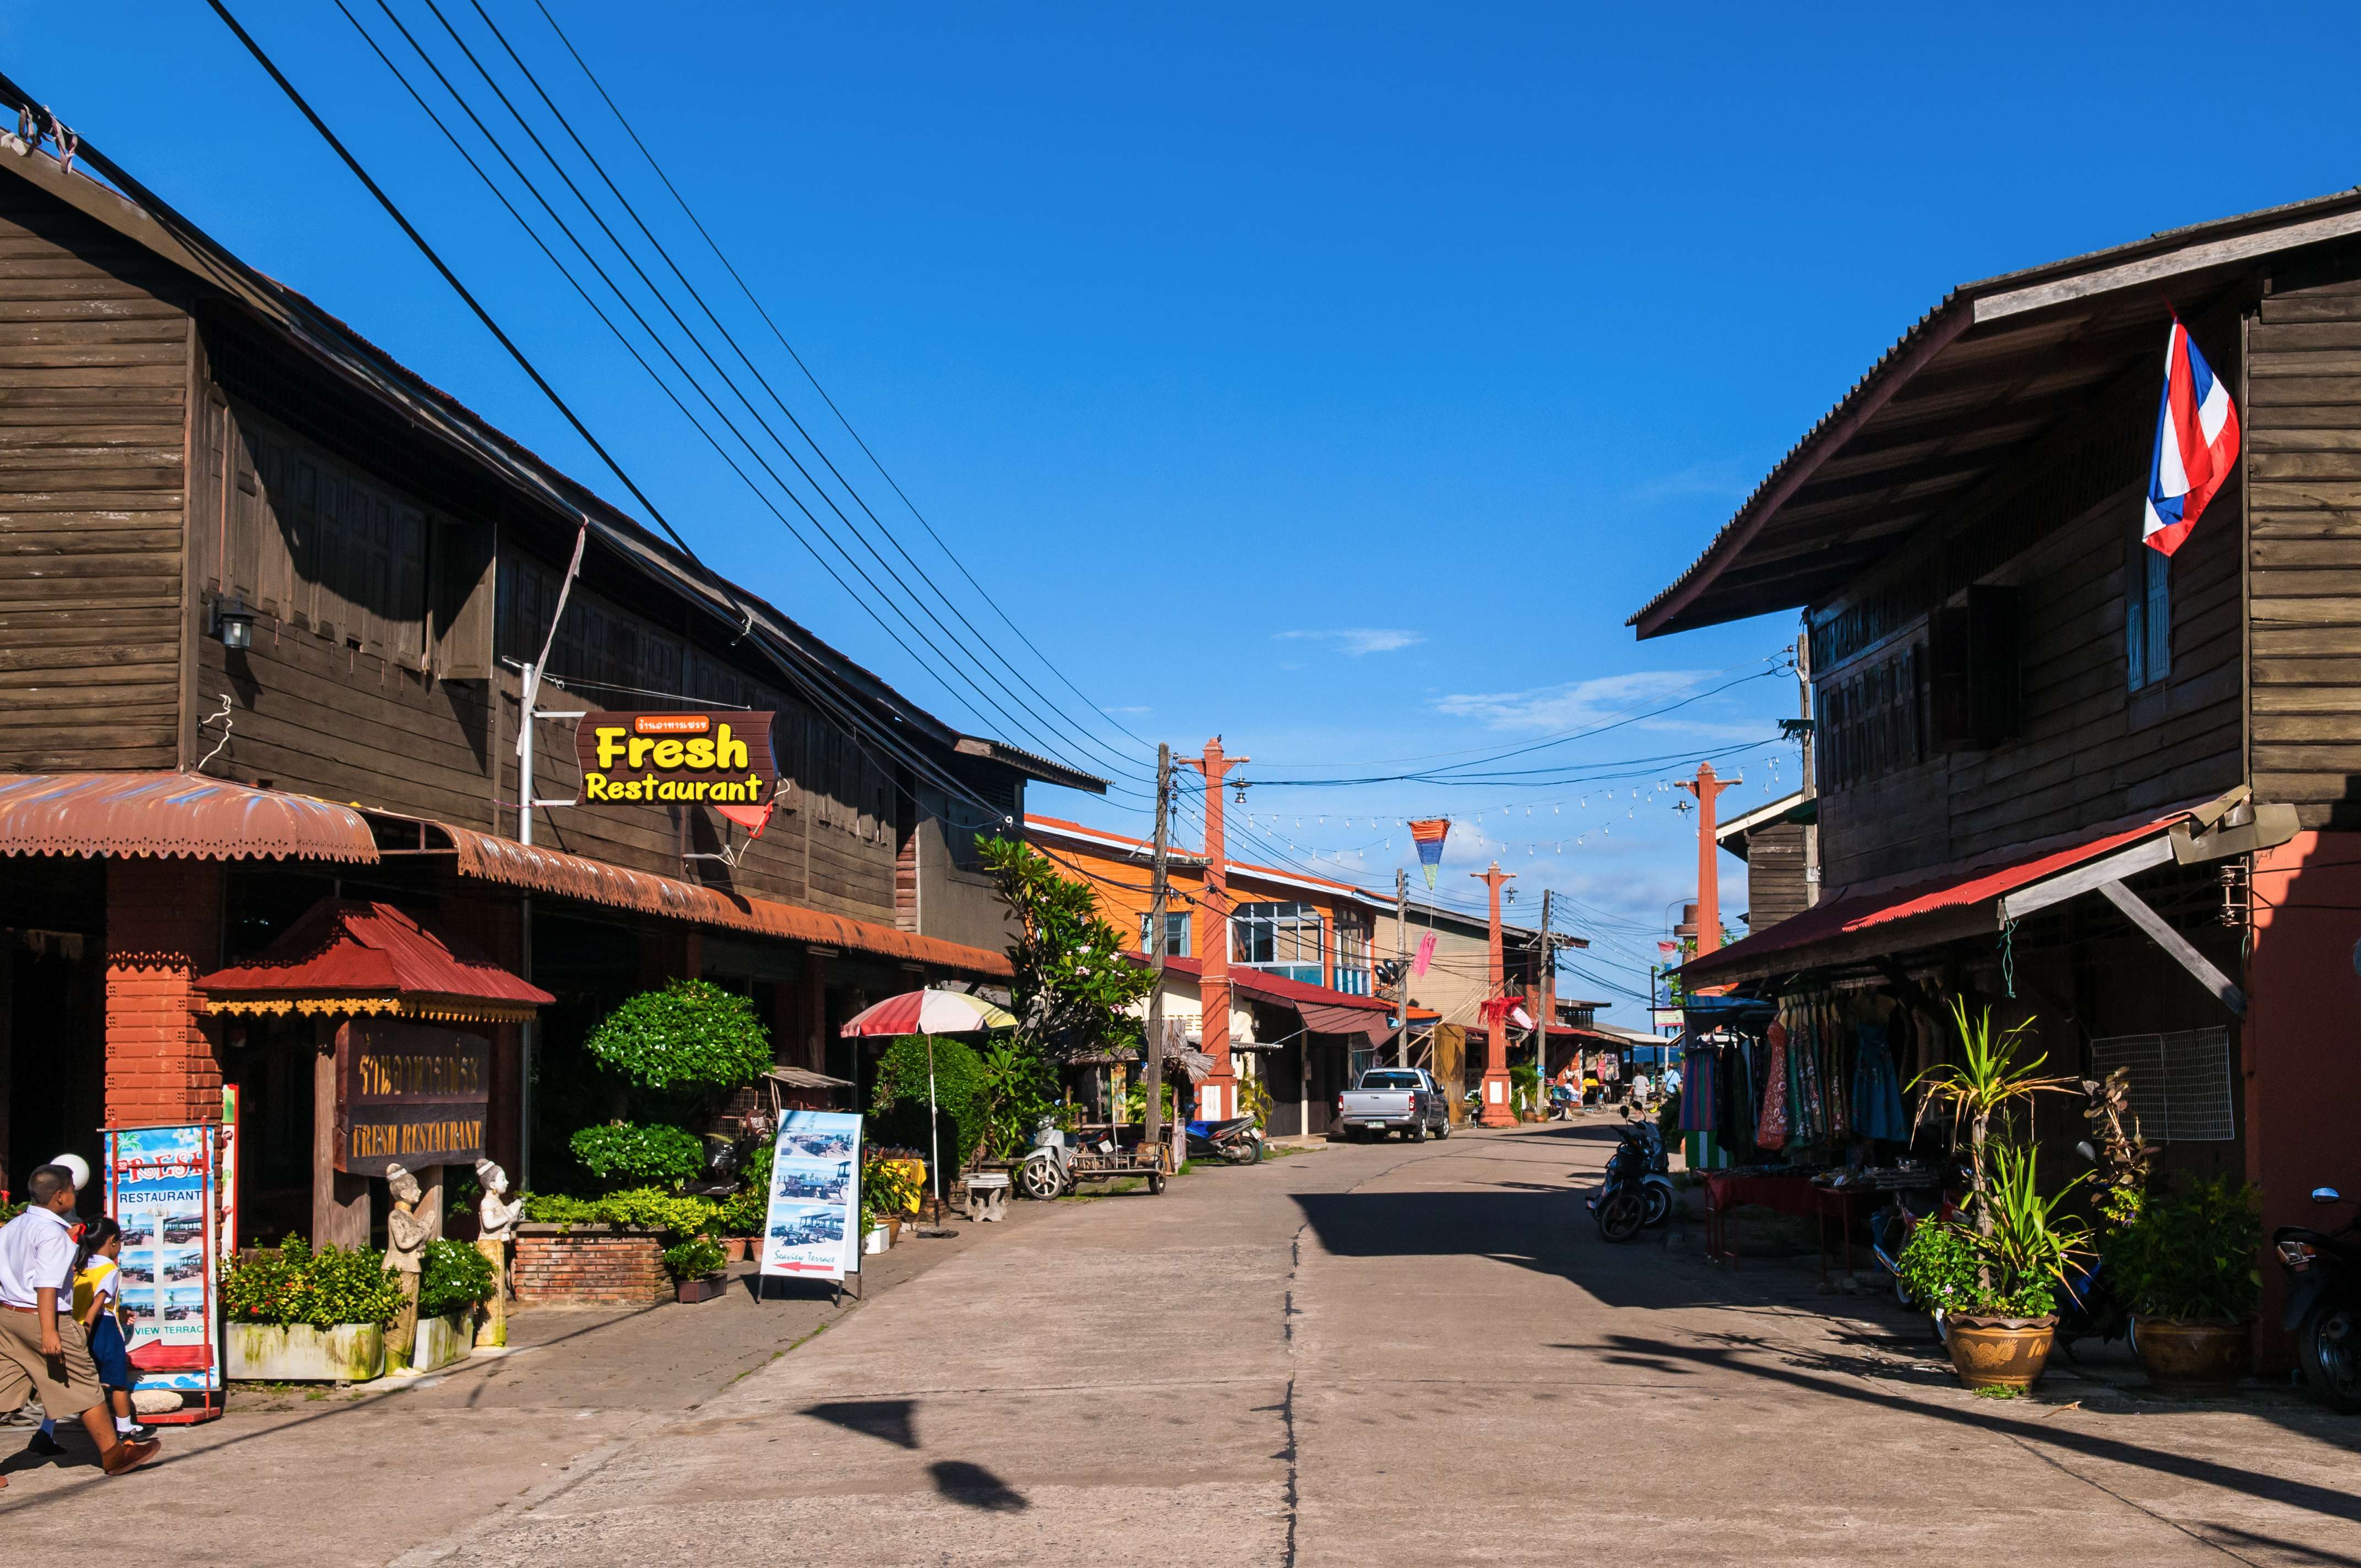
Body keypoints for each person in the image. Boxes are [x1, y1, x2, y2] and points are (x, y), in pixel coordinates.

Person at [0, 1164, 161, 1483]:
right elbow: (46, 1286)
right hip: (42, 1318)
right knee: (84, 1382)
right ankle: (114, 1454)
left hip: (8, 1316)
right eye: (73, 1190)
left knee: (4, 1386)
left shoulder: (11, 1227)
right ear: (60, 1197)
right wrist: (50, 1333)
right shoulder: (52, 1234)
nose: (75, 1195)